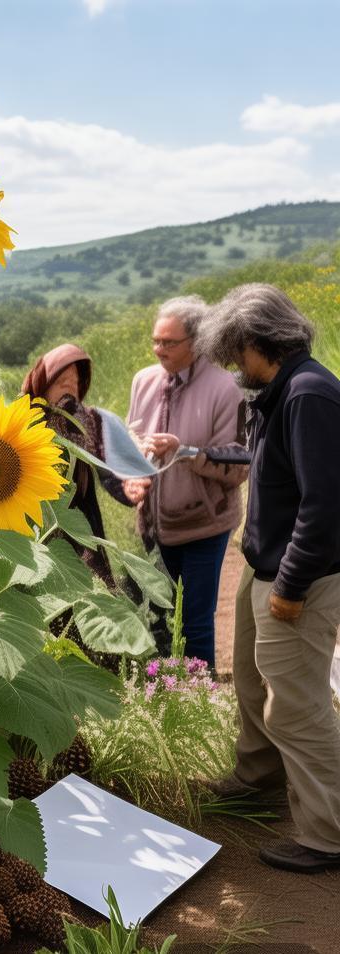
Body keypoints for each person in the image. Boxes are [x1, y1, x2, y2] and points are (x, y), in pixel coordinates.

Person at [198, 283, 340, 872]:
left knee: (298, 707)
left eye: (236, 353)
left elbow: (324, 505)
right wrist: (205, 452)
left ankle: (328, 833)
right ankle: (258, 780)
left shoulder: (309, 394)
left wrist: (290, 586)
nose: (235, 366)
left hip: (297, 580)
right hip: (266, 568)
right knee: (253, 687)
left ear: (260, 341)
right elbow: (277, 465)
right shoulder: (283, 393)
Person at [124, 296, 247, 667]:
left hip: (204, 527)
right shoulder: (143, 381)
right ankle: (163, 692)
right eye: (155, 341)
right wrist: (134, 465)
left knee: (195, 621)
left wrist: (185, 452)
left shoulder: (226, 388)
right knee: (157, 618)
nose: (158, 349)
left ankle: (200, 694)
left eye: (169, 342)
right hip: (153, 526)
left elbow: (239, 464)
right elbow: (130, 438)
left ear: (196, 341)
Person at [22, 343, 133, 587]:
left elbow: (104, 466)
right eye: (61, 381)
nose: (69, 388)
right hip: (39, 518)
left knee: (88, 586)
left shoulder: (86, 420)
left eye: (75, 382)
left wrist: (127, 490)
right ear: (43, 383)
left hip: (80, 519)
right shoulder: (22, 419)